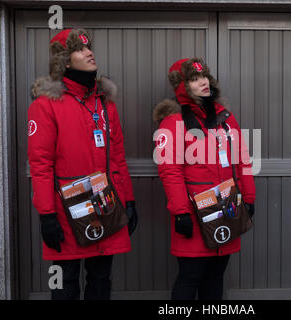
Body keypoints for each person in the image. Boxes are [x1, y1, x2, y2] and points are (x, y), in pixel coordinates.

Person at [27, 28, 137, 300]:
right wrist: (47, 215)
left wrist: (129, 200)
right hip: (67, 211)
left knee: (101, 279)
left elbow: (118, 157)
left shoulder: (105, 103)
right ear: (64, 61)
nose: (89, 53)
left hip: (106, 204)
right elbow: (40, 164)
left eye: (90, 48)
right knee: (66, 283)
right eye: (80, 49)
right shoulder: (46, 106)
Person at [153, 57, 256, 300]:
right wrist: (180, 212)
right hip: (194, 213)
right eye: (195, 78)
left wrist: (248, 198)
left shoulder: (225, 119)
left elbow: (243, 160)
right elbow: (170, 171)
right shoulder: (173, 122)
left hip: (227, 208)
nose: (203, 82)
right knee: (190, 276)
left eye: (205, 76)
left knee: (216, 276)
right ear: (182, 86)